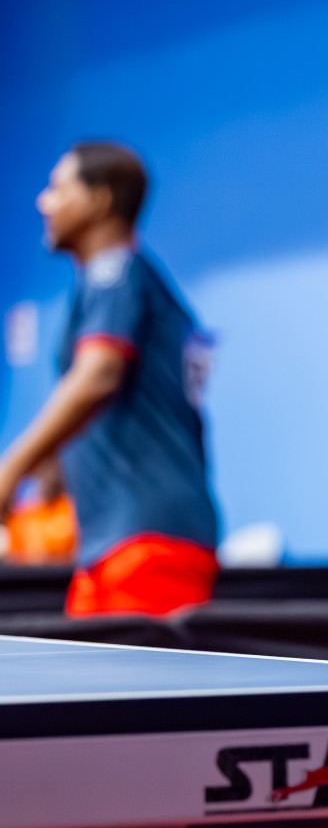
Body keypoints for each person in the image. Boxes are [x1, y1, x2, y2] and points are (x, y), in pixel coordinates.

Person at [0, 141, 219, 616]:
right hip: (111, 543)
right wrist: (49, 480)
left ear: (98, 200)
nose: (43, 201)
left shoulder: (114, 272)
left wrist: (9, 470)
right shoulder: (120, 283)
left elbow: (98, 376)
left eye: (57, 188)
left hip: (145, 542)